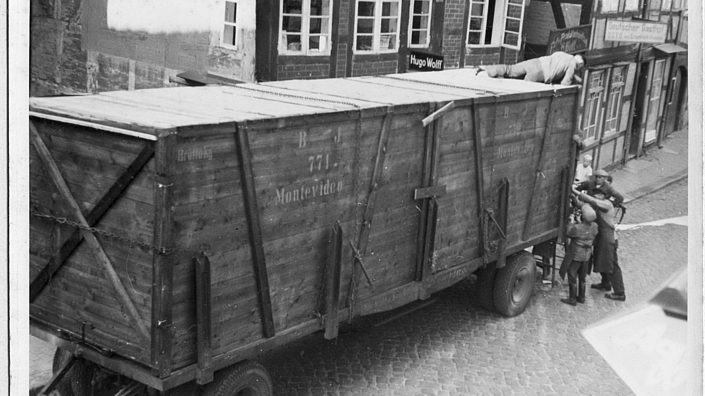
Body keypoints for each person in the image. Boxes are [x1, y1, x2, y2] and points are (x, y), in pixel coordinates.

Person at [572, 186, 626, 301]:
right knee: (602, 260)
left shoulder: (607, 204)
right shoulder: (597, 205)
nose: (595, 196)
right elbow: (583, 206)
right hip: (601, 238)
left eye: (597, 195)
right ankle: (605, 283)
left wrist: (576, 191)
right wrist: (574, 198)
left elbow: (591, 201)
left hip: (609, 239)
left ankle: (620, 293)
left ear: (603, 195)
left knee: (612, 265)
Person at [559, 204, 599, 306]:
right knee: (582, 276)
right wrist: (580, 221)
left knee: (572, 274)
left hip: (576, 255)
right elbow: (585, 230)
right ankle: (581, 297)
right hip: (586, 256)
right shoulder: (595, 226)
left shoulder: (576, 228)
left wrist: (572, 222)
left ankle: (572, 298)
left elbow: (569, 233)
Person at [476, 51, 585, 86]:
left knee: (511, 69)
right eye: (580, 67)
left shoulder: (563, 54)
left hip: (536, 62)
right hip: (541, 73)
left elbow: (559, 67)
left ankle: (487, 70)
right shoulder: (573, 64)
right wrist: (576, 83)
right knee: (522, 87)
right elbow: (565, 82)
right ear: (580, 63)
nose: (578, 69)